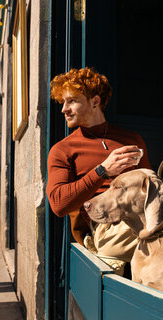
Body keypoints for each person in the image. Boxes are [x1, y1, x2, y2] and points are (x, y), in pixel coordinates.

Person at [47, 67, 150, 274]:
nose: (63, 109)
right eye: (63, 102)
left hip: (145, 214)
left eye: (71, 101)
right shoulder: (63, 149)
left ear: (94, 101)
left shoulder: (131, 140)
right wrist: (102, 171)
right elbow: (58, 205)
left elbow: (150, 186)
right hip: (105, 228)